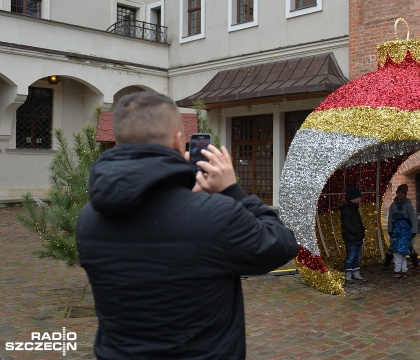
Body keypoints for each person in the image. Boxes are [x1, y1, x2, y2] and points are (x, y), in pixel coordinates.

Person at [75, 91, 299, 360]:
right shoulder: (214, 217)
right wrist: (231, 189)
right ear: (178, 140)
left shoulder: (89, 218)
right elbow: (282, 243)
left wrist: (178, 190)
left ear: (120, 140)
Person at [383, 184, 420, 272]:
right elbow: (390, 219)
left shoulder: (408, 205)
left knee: (410, 247)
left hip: (406, 230)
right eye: (399, 192)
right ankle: (387, 264)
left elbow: (413, 219)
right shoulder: (393, 205)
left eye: (402, 193)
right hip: (396, 230)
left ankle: (415, 264)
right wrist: (390, 230)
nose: (400, 194)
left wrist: (413, 231)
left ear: (405, 194)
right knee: (392, 246)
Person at [339, 186, 367, 283]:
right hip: (351, 237)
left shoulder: (354, 208)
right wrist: (356, 232)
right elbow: (348, 224)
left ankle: (356, 273)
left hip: (357, 237)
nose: (359, 199)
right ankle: (348, 274)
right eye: (358, 197)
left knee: (357, 256)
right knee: (351, 256)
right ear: (353, 198)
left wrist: (361, 231)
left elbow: (357, 222)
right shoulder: (347, 209)